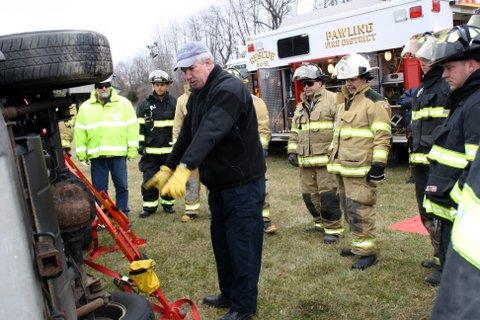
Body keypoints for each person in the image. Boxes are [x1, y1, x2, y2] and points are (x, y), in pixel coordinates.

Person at [145, 42, 265, 320]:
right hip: (220, 185)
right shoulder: (198, 94)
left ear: (208, 62)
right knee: (222, 243)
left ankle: (244, 307)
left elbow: (210, 132)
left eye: (191, 68)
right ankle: (228, 293)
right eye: (184, 70)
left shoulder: (228, 89)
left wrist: (185, 169)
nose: (187, 75)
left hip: (243, 184)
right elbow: (188, 134)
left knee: (242, 245)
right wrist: (168, 168)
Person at [421, 24, 480, 287]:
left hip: (460, 215)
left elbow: (477, 170)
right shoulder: (465, 99)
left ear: (472, 64)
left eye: (449, 68)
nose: (443, 75)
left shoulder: (476, 103)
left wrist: (455, 202)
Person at [329, 54, 391, 270]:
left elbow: (382, 136)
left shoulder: (375, 102)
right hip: (344, 166)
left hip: (362, 168)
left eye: (353, 78)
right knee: (349, 209)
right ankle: (358, 246)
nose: (349, 83)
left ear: (365, 77)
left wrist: (378, 165)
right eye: (346, 80)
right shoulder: (343, 102)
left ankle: (368, 252)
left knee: (361, 210)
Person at [401, 33, 451, 285]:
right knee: (426, 211)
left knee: (440, 213)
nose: (422, 62)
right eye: (419, 59)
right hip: (421, 162)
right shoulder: (421, 89)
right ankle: (438, 254)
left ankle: (447, 264)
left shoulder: (444, 86)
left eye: (426, 59)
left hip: (438, 162)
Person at [286, 63, 342, 243]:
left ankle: (333, 230)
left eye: (309, 82)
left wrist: (336, 154)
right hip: (305, 162)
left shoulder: (334, 100)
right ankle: (319, 223)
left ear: (320, 82)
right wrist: (292, 151)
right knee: (309, 196)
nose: (306, 87)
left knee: (328, 196)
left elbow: (340, 129)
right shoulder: (300, 106)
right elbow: (295, 131)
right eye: (303, 84)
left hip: (326, 161)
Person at [74, 76, 138, 215]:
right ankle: (105, 217)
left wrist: (133, 148)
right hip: (97, 156)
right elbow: (80, 131)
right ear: (95, 88)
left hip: (118, 155)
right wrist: (81, 153)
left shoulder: (124, 104)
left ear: (110, 86)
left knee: (122, 187)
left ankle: (122, 214)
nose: (103, 88)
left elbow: (132, 127)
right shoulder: (85, 107)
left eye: (106, 85)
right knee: (99, 191)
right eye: (100, 85)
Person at [225, 67, 277, 235]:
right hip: (228, 155)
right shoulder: (218, 102)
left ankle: (265, 219)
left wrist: (260, 150)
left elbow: (263, 128)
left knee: (257, 186)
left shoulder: (256, 102)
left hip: (252, 153)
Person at [137, 69, 177, 218]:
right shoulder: (143, 105)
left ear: (167, 86)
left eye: (163, 84)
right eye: (157, 84)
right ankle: (149, 207)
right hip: (150, 152)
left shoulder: (174, 103)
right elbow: (140, 127)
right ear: (153, 85)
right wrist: (141, 145)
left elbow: (179, 127)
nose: (160, 87)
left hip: (169, 151)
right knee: (149, 179)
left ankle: (168, 204)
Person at [172, 83, 203, 222]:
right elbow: (177, 124)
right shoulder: (181, 100)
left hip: (210, 146)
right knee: (191, 179)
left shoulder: (210, 95)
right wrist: (177, 145)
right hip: (190, 147)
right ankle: (191, 210)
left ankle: (218, 209)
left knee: (214, 178)